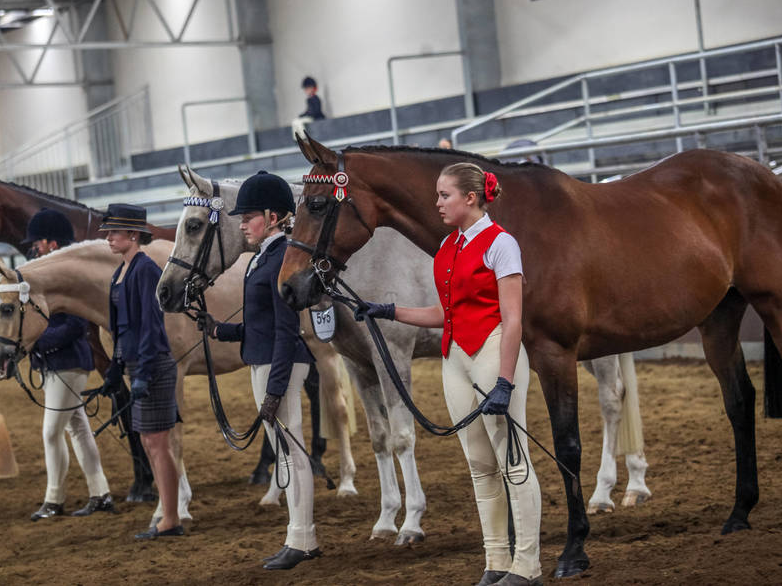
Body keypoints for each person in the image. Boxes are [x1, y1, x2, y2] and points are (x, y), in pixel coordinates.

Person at [357, 163, 542, 586]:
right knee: (480, 466)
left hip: (494, 352)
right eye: (438, 195)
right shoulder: (447, 248)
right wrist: (388, 310)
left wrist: (505, 380)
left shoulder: (502, 244)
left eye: (445, 196)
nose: (437, 203)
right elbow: (444, 314)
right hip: (455, 358)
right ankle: (496, 561)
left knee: (513, 462)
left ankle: (528, 564)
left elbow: (513, 319)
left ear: (470, 198)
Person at [202, 170, 320, 570]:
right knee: (287, 451)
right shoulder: (263, 258)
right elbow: (262, 322)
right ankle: (300, 535)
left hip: (279, 363)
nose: (241, 224)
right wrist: (221, 329)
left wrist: (276, 387)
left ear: (272, 216)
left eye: (248, 216)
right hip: (264, 357)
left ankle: (301, 539)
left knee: (291, 452)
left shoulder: (282, 258)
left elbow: (288, 329)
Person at [21, 208, 114, 521]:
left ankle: (54, 500)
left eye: (38, 242)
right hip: (56, 364)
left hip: (69, 362)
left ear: (51, 243)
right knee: (78, 429)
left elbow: (75, 326)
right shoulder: (45, 274)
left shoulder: (68, 278)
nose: (34, 248)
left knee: (51, 432)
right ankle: (100, 493)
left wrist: (37, 343)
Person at [99, 203, 183, 540]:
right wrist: (116, 366)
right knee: (150, 442)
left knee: (157, 443)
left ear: (133, 234)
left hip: (153, 365)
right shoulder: (121, 272)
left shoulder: (145, 270)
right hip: (137, 364)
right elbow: (123, 327)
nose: (108, 237)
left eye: (114, 232)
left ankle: (171, 518)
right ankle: (169, 514)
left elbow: (150, 325)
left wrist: (144, 372)